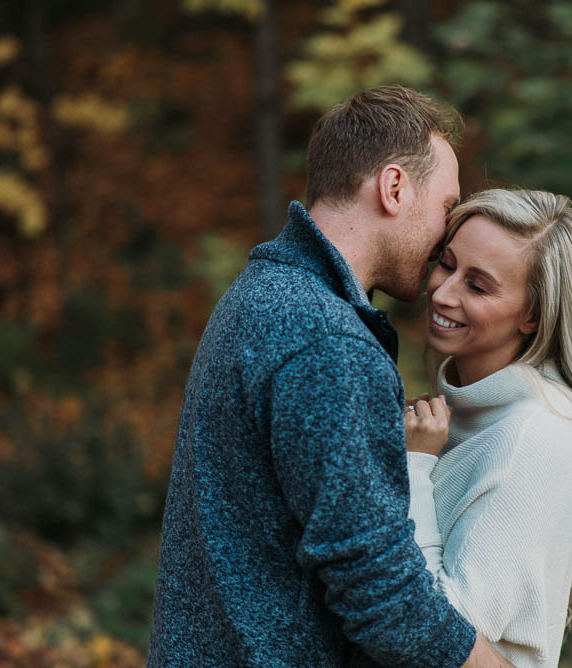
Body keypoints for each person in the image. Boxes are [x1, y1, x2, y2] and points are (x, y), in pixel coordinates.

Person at [148, 86, 512, 667]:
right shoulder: (326, 340)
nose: (448, 234)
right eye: (447, 208)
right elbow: (380, 591)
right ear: (394, 188)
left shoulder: (260, 294)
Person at [403, 189, 572, 667]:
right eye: (447, 264)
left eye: (478, 286)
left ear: (533, 315)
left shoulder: (537, 434)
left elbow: (445, 632)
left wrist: (416, 466)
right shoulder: (463, 411)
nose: (442, 292)